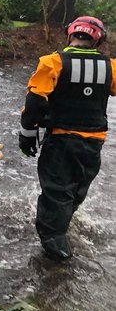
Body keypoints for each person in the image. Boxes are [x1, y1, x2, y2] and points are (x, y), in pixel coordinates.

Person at [19, 16, 116, 261]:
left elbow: (35, 100)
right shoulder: (111, 66)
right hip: (93, 142)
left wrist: (27, 133)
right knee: (76, 190)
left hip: (61, 139)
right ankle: (59, 231)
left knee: (56, 191)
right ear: (98, 40)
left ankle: (55, 249)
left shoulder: (53, 62)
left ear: (70, 34)